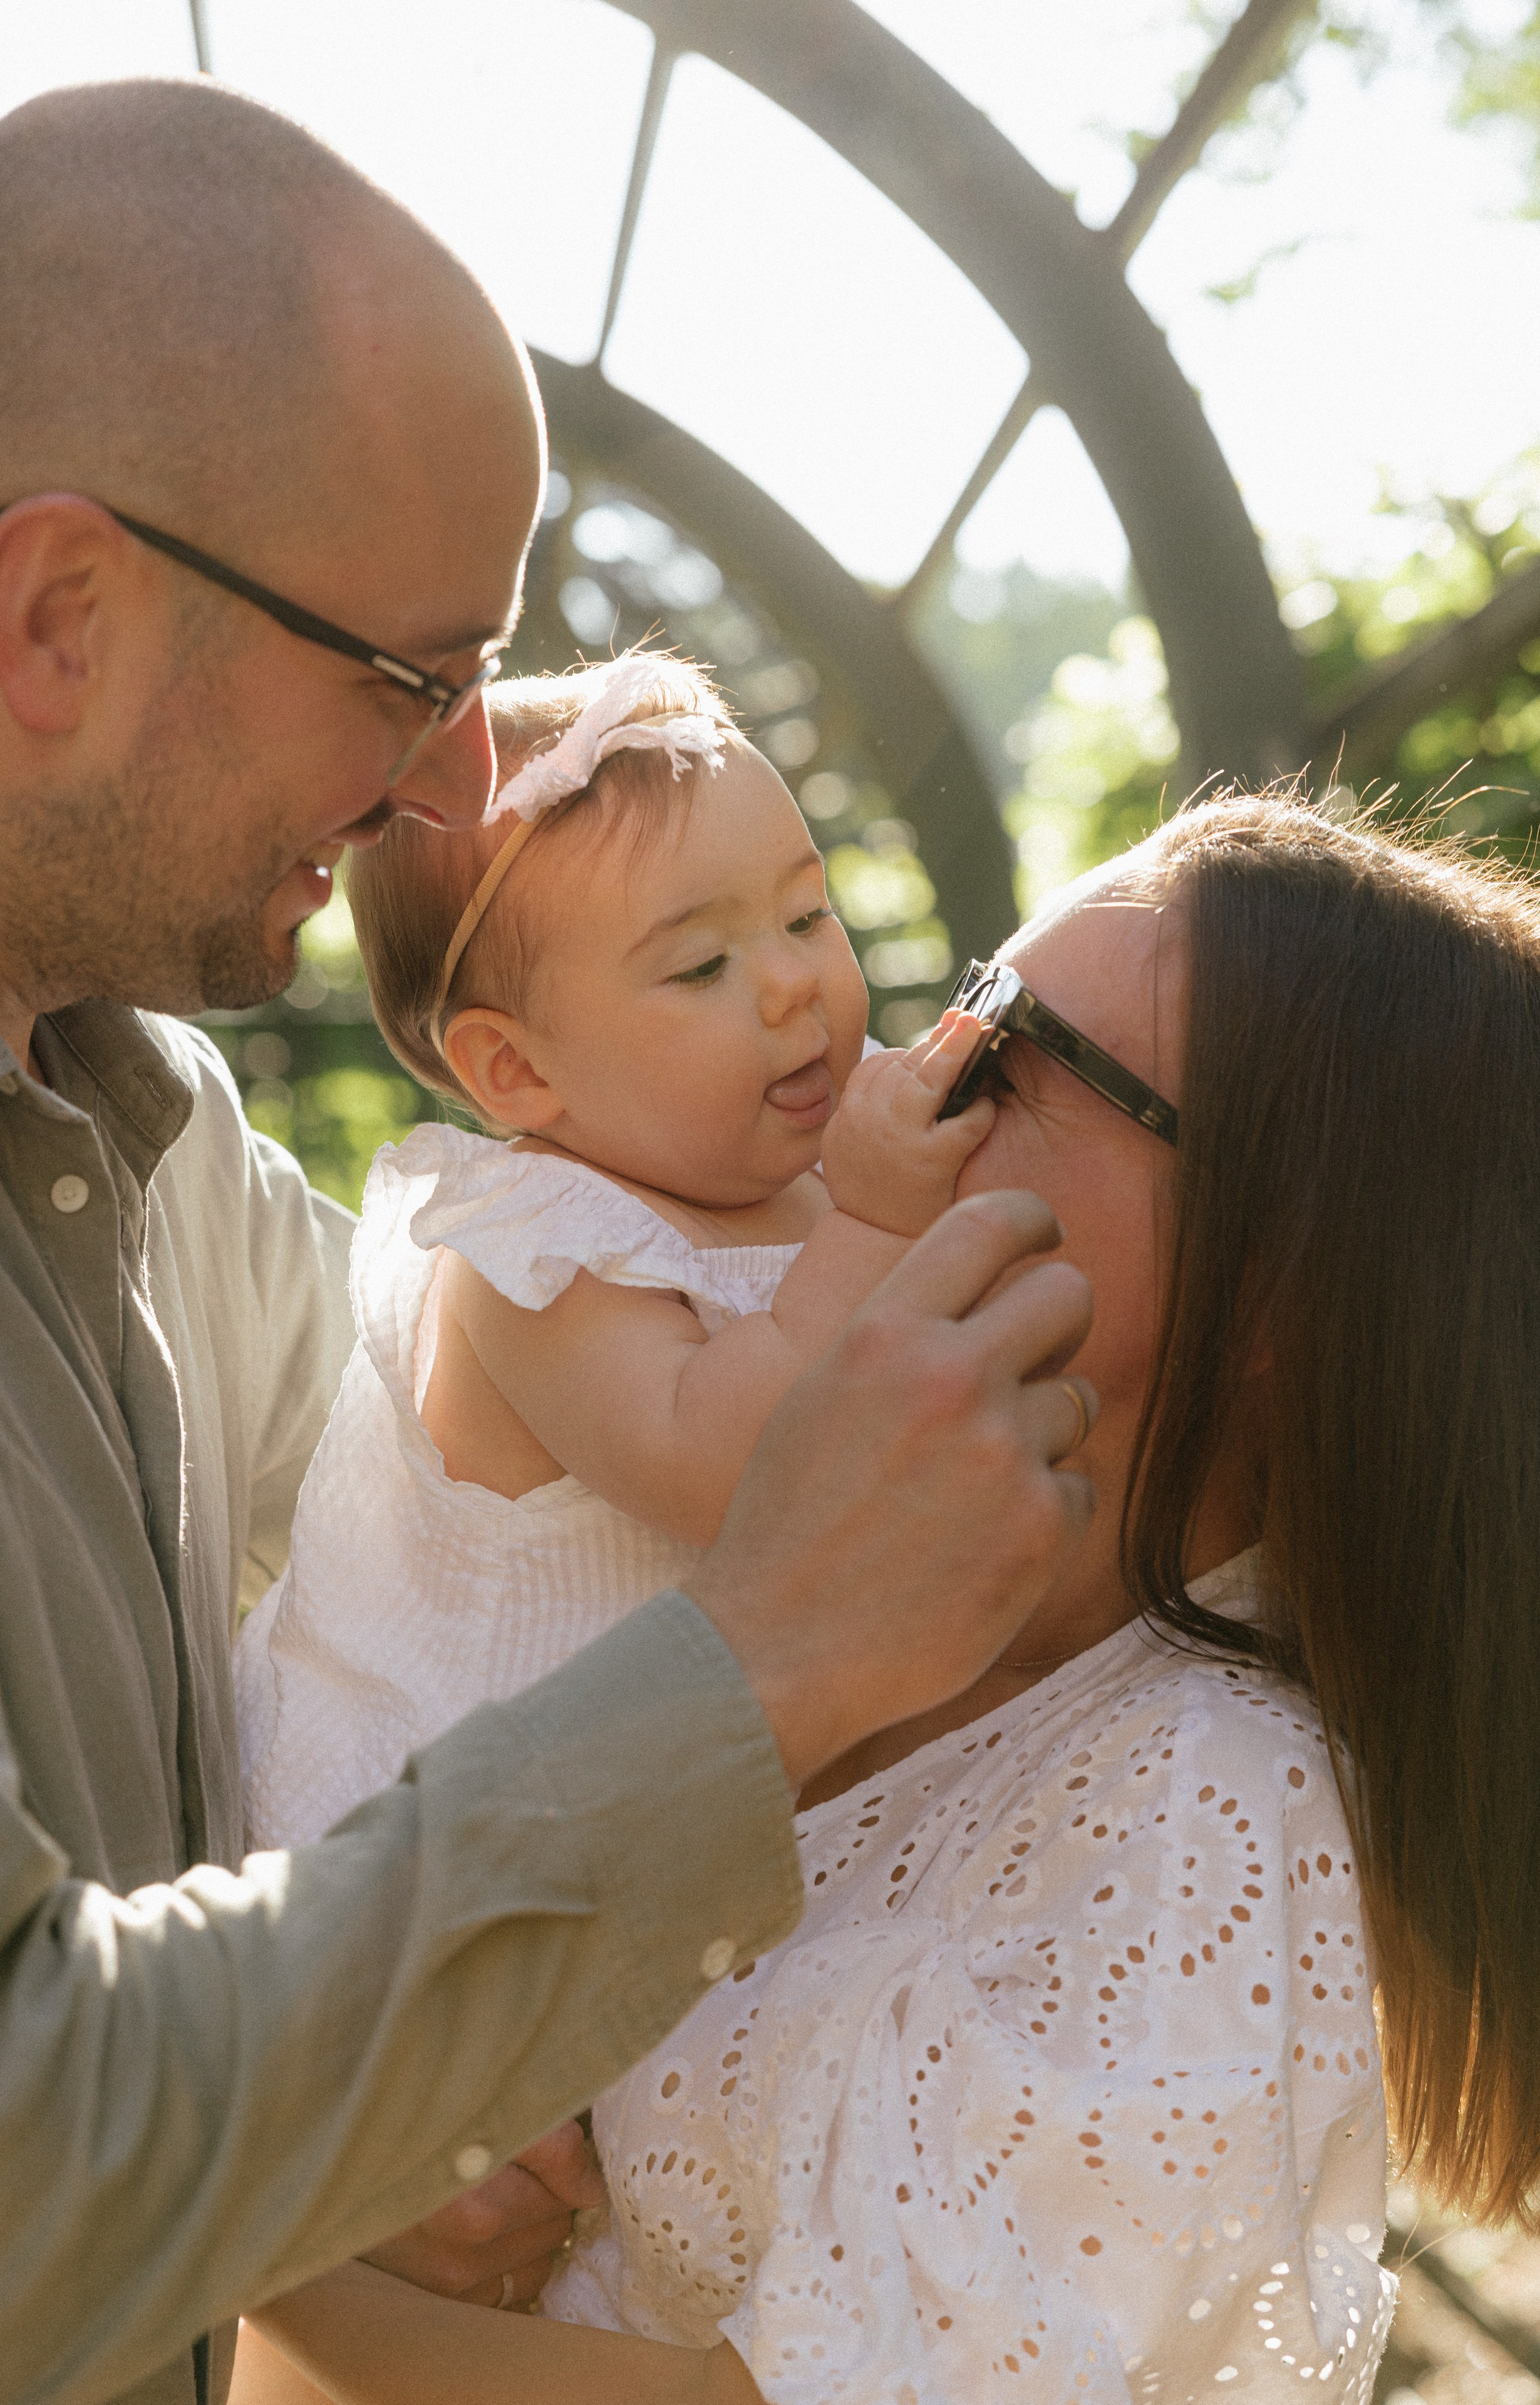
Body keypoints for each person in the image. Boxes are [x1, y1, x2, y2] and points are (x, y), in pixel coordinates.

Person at [0, 78, 1100, 2405]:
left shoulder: (146, 1135)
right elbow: (35, 2149)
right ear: (53, 618)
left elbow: (415, 1552)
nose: (457, 790)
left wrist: (355, 2089)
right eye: (413, 672)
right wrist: (772, 1652)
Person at [240, 798, 1540, 2404]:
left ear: (1274, 1280)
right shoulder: (717, 1562)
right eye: (948, 1004)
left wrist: (230, 2229)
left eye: (1007, 1053)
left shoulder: (1201, 1807)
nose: (892, 1076)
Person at [234, 650, 1018, 1849]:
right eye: (702, 965)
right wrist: (876, 1223)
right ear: (518, 1070)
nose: (792, 983)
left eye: (809, 912)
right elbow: (729, 1470)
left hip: (706, 1776)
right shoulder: (540, 1250)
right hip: (486, 1838)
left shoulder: (823, 1153)